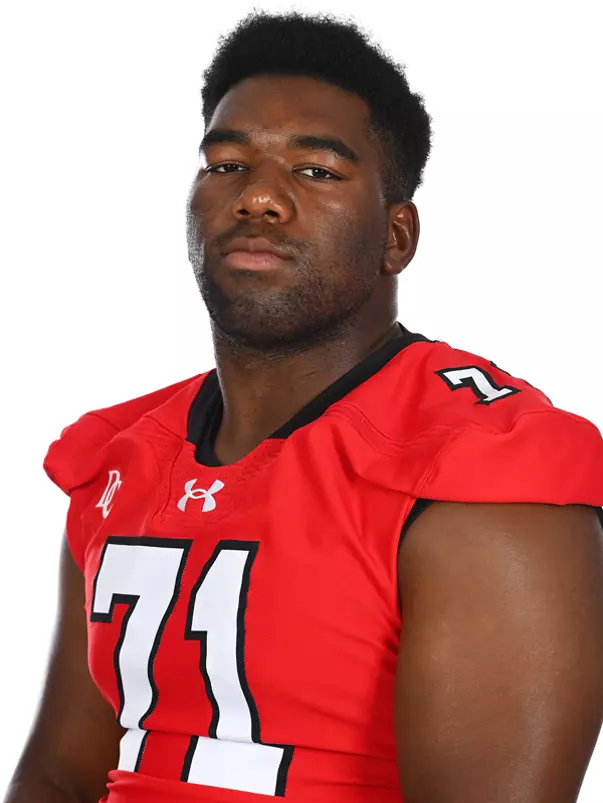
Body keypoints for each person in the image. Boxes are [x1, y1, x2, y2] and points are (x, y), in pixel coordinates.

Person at [5, 10, 603, 803]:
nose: (258, 197)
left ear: (397, 236)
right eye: (225, 164)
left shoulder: (477, 474)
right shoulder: (119, 456)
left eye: (315, 171)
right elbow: (58, 776)